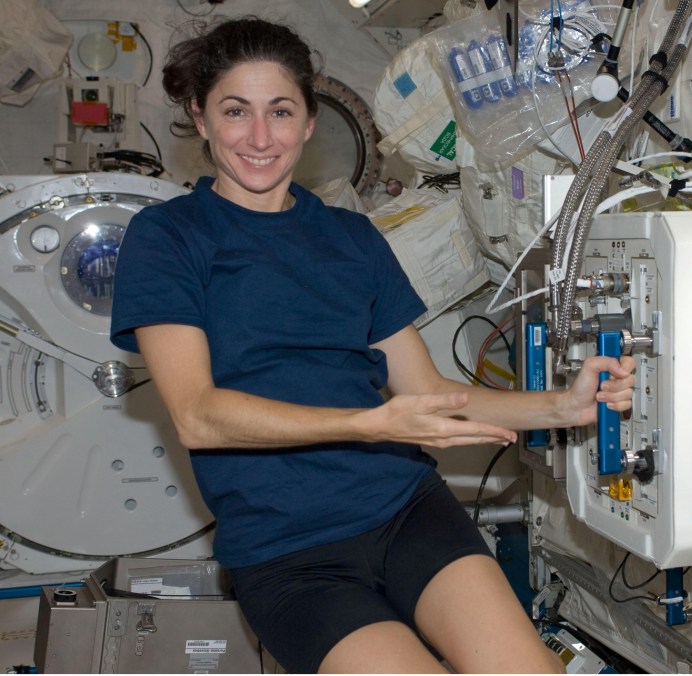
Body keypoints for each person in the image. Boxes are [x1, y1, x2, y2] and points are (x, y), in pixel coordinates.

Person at [110, 16, 636, 674]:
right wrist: (370, 421)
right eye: (235, 111)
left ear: (309, 121)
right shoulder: (169, 238)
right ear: (201, 117)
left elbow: (428, 398)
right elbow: (198, 414)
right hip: (288, 552)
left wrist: (565, 406)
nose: (260, 136)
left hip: (404, 510)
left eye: (281, 111)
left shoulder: (351, 240)